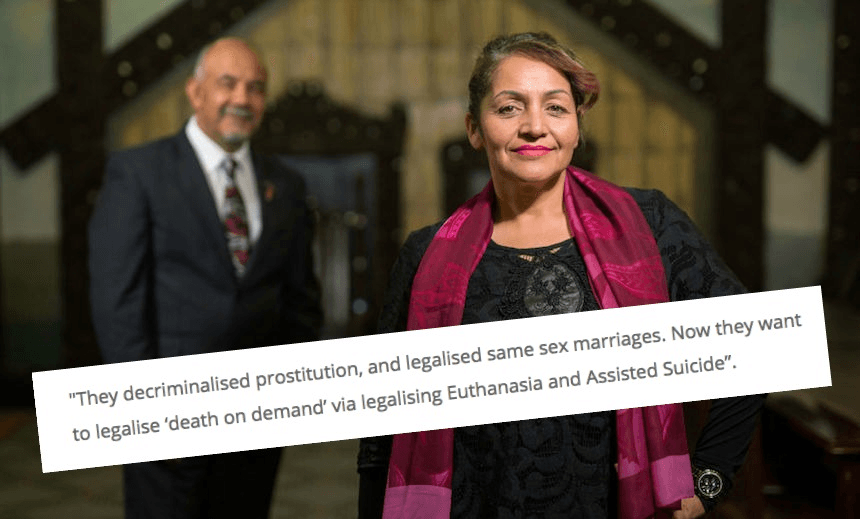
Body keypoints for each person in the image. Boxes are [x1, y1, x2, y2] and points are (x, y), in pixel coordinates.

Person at [358, 32, 765, 519]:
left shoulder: (650, 224)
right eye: (509, 108)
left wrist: (708, 481)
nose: (534, 127)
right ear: (474, 127)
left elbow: (755, 346)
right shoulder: (424, 255)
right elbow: (384, 428)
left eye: (555, 107)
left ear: (576, 125)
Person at [89, 37, 322, 519]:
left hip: (257, 424)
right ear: (195, 93)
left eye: (255, 88)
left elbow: (301, 300)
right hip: (166, 420)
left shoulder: (288, 184)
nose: (242, 98)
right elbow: (118, 305)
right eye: (228, 83)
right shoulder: (138, 173)